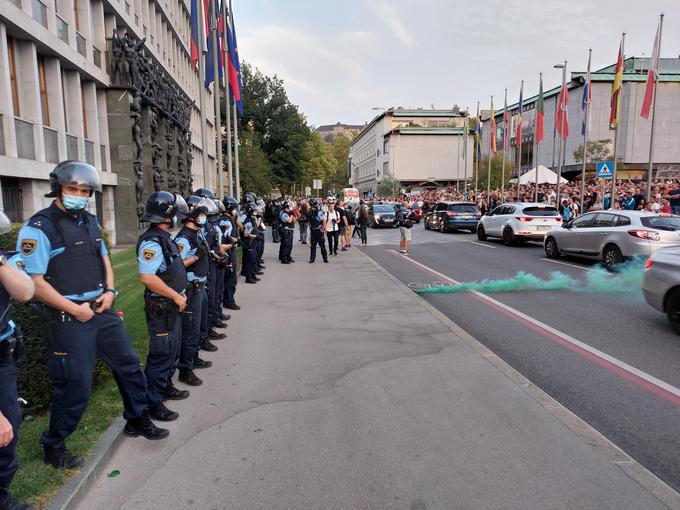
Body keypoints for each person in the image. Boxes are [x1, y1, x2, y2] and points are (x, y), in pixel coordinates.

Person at [17, 161, 168, 471]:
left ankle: (137, 419)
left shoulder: (89, 220)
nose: (79, 195)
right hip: (68, 316)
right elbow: (34, 283)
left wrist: (110, 292)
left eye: (85, 191)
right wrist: (75, 309)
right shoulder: (40, 228)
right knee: (76, 386)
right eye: (73, 189)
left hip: (101, 308)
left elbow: (105, 261)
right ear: (58, 188)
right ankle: (54, 445)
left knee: (128, 365)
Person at [136, 192, 189, 422]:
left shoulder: (163, 237)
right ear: (168, 216)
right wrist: (175, 297)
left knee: (171, 352)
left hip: (170, 305)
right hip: (162, 306)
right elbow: (147, 277)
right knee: (161, 355)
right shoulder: (152, 241)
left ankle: (165, 387)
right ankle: (152, 404)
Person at [0, 211, 35, 510]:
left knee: (10, 427)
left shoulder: (3, 262)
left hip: (5, 361)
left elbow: (25, 292)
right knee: (4, 429)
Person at [175, 196, 213, 388]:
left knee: (198, 326)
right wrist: (198, 256)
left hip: (200, 285)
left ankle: (194, 357)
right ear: (192, 215)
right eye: (202, 213)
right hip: (191, 289)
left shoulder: (197, 233)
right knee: (190, 329)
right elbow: (179, 264)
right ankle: (185, 369)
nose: (204, 216)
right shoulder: (183, 237)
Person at [221, 196, 241, 311]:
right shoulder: (226, 220)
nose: (235, 210)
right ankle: (229, 301)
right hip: (228, 251)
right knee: (230, 278)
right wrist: (234, 240)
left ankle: (228, 299)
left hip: (229, 251)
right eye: (234, 208)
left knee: (229, 278)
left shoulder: (228, 219)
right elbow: (225, 237)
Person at [241, 204, 260, 283]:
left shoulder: (252, 219)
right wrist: (255, 236)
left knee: (253, 260)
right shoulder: (248, 221)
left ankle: (253, 275)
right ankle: (249, 278)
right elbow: (246, 234)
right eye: (254, 210)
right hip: (249, 243)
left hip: (252, 243)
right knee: (249, 261)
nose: (256, 212)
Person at [307, 199, 328, 264]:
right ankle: (312, 259)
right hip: (313, 230)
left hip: (319, 231)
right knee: (313, 246)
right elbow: (309, 221)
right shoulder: (310, 212)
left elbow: (324, 221)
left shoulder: (319, 212)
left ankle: (325, 258)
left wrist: (323, 229)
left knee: (322, 246)